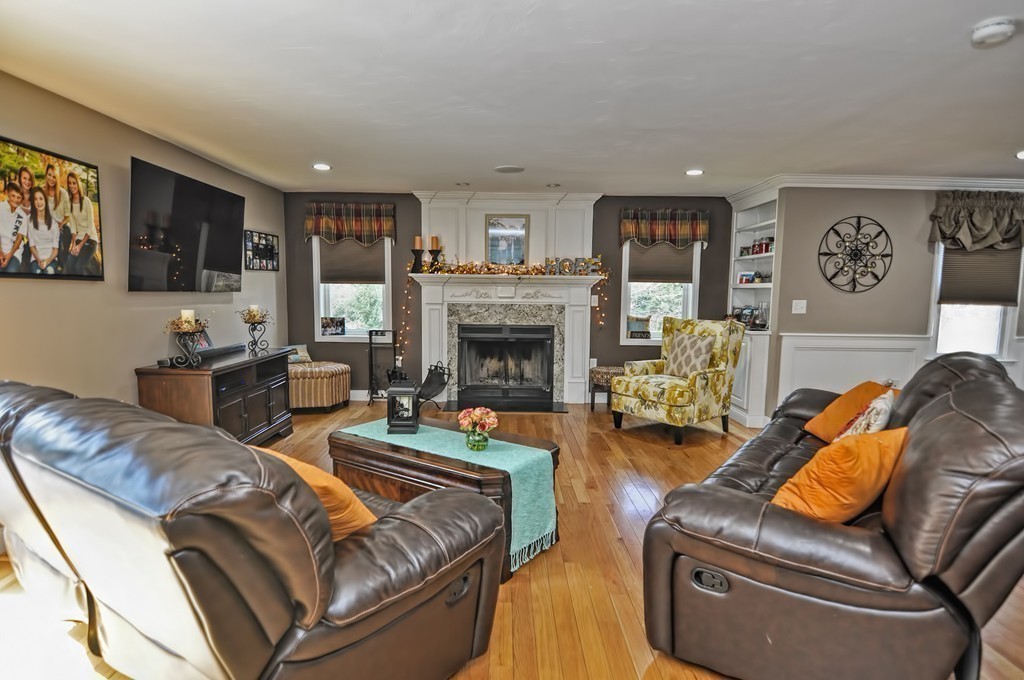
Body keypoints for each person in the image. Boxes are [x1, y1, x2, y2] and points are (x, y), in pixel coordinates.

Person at [64, 171, 98, 275]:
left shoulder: (86, 201)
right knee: (69, 264)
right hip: (78, 239)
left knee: (79, 267)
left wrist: (80, 246)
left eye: (74, 183)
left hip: (90, 240)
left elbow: (90, 227)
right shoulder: (69, 203)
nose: (71, 186)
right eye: (69, 183)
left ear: (78, 184)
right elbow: (73, 226)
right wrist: (74, 244)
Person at [26, 187, 59, 274]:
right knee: (37, 273)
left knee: (49, 272)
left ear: (45, 200)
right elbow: (32, 246)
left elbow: (56, 249)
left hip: (51, 259)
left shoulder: (53, 223)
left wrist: (47, 261)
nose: (38, 202)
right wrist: (39, 260)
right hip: (36, 259)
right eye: (35, 199)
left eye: (41, 198)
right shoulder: (30, 220)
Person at [0, 182, 27, 273]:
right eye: (13, 196)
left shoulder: (23, 216)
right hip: (0, 249)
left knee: (11, 272)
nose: (15, 200)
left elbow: (19, 238)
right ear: (7, 194)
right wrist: (1, 253)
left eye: (18, 197)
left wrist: (8, 256)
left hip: (14, 253)